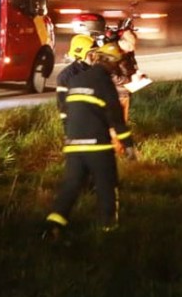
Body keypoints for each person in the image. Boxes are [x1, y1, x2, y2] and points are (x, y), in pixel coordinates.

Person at [44, 42, 137, 237]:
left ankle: (54, 224)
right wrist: (128, 146)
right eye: (116, 63)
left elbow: (67, 111)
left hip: (73, 146)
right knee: (106, 186)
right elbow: (116, 119)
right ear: (111, 63)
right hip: (98, 147)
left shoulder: (77, 80)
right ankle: (108, 230)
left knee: (71, 186)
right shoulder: (105, 84)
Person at [55, 33, 95, 125]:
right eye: (91, 53)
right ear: (80, 54)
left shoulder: (97, 71)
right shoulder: (66, 76)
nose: (94, 56)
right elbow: (62, 105)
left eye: (95, 52)